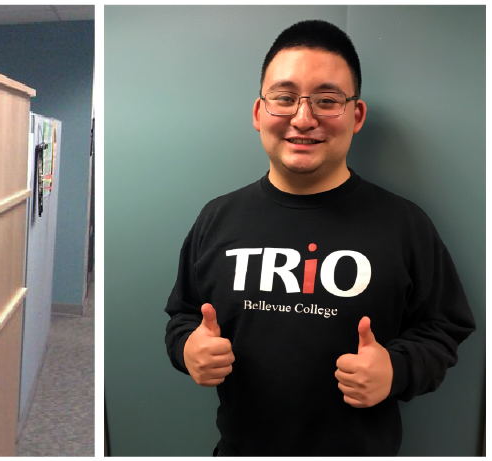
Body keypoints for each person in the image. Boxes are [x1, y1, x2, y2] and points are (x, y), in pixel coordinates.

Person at [163, 20, 476, 456]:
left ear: (356, 114)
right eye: (284, 98)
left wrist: (396, 369)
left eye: (327, 100)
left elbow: (446, 326)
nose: (303, 118)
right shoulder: (217, 218)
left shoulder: (404, 224)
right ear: (259, 112)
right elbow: (182, 316)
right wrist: (188, 348)